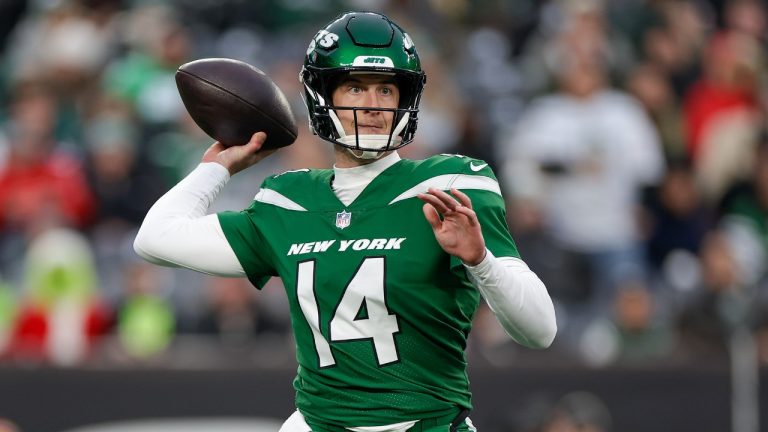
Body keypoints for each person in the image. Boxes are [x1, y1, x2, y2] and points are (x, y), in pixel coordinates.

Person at [134, 12, 556, 432]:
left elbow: (540, 331)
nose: (372, 106)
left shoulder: (448, 185)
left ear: (404, 99)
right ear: (323, 96)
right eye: (355, 87)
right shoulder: (288, 201)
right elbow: (155, 238)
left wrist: (481, 260)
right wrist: (218, 167)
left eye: (386, 89)